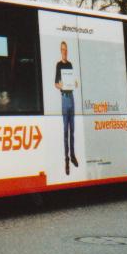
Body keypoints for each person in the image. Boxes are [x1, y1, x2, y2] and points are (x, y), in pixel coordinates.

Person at [54, 41, 79, 175]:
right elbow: (55, 84)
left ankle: (73, 155)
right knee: (65, 131)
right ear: (60, 51)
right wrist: (61, 85)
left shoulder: (70, 65)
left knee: (72, 129)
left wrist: (74, 83)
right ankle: (66, 159)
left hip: (71, 97)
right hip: (64, 98)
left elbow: (73, 80)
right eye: (63, 50)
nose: (64, 52)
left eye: (66, 50)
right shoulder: (59, 65)